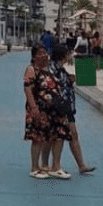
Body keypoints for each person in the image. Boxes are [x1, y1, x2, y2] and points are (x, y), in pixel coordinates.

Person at [41, 45, 95, 175]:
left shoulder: (59, 68)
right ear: (62, 55)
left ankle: (79, 165)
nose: (69, 56)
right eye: (67, 54)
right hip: (59, 107)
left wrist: (69, 79)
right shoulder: (54, 69)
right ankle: (53, 165)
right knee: (57, 136)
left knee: (71, 135)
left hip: (66, 107)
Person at [23, 45, 72, 179]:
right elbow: (28, 89)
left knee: (59, 134)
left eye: (45, 52)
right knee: (38, 137)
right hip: (39, 109)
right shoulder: (31, 70)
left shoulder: (49, 69)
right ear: (34, 56)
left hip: (54, 110)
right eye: (40, 53)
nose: (44, 55)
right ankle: (35, 167)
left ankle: (55, 166)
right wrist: (34, 108)